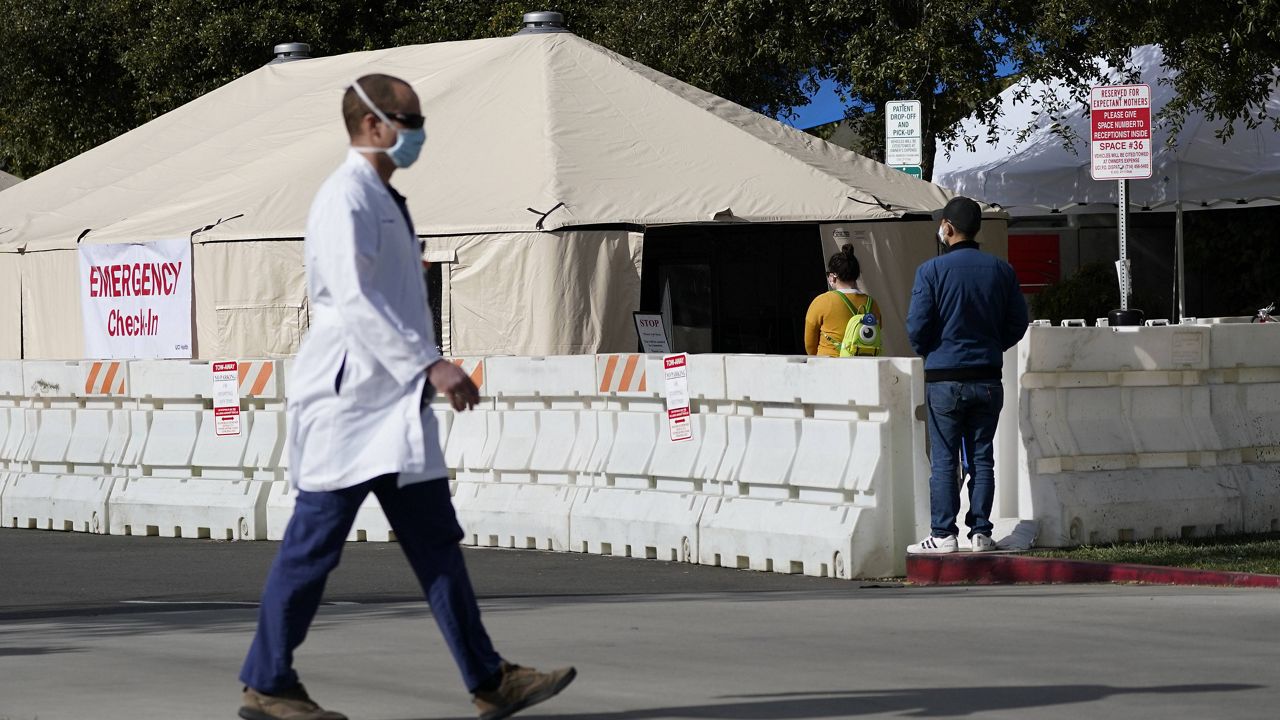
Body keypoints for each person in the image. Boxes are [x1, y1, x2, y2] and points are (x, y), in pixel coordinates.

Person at [237, 74, 575, 720]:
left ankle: (489, 678)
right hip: (348, 406)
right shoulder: (345, 198)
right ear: (372, 124)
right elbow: (353, 302)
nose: (419, 131)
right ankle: (267, 680)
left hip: (393, 410)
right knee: (313, 547)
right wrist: (432, 365)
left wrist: (421, 372)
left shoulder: (386, 199)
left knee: (437, 543)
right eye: (409, 118)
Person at [905, 196, 1028, 554]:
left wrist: (932, 350)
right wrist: (992, 345)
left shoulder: (931, 271)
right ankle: (981, 533)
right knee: (982, 456)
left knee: (945, 458)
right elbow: (1017, 323)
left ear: (947, 227)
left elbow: (917, 327)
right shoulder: (1001, 270)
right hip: (988, 376)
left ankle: (943, 534)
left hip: (944, 378)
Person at [804, 244, 883, 356]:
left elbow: (810, 344)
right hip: (863, 366)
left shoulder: (822, 302)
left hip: (829, 365)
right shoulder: (872, 303)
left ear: (833, 276)